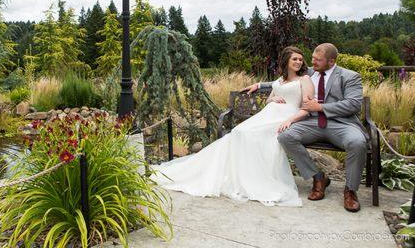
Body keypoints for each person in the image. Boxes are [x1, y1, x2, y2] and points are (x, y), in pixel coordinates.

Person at [152, 46, 312, 207]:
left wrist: (290, 121)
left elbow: (307, 106)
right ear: (286, 61)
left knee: (250, 135)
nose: (298, 62)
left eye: (300, 59)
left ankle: (252, 178)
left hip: (285, 117)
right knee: (238, 131)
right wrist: (274, 98)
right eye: (294, 59)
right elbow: (270, 99)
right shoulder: (279, 80)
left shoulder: (304, 80)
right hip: (268, 114)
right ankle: (236, 175)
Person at [244, 43, 367, 212]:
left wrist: (322, 107)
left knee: (357, 142)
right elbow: (284, 81)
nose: (312, 63)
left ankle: (350, 191)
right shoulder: (309, 72)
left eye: (318, 60)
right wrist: (259, 85)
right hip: (311, 122)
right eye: (313, 59)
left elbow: (353, 104)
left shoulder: (350, 76)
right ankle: (318, 177)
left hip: (341, 123)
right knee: (286, 136)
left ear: (331, 62)